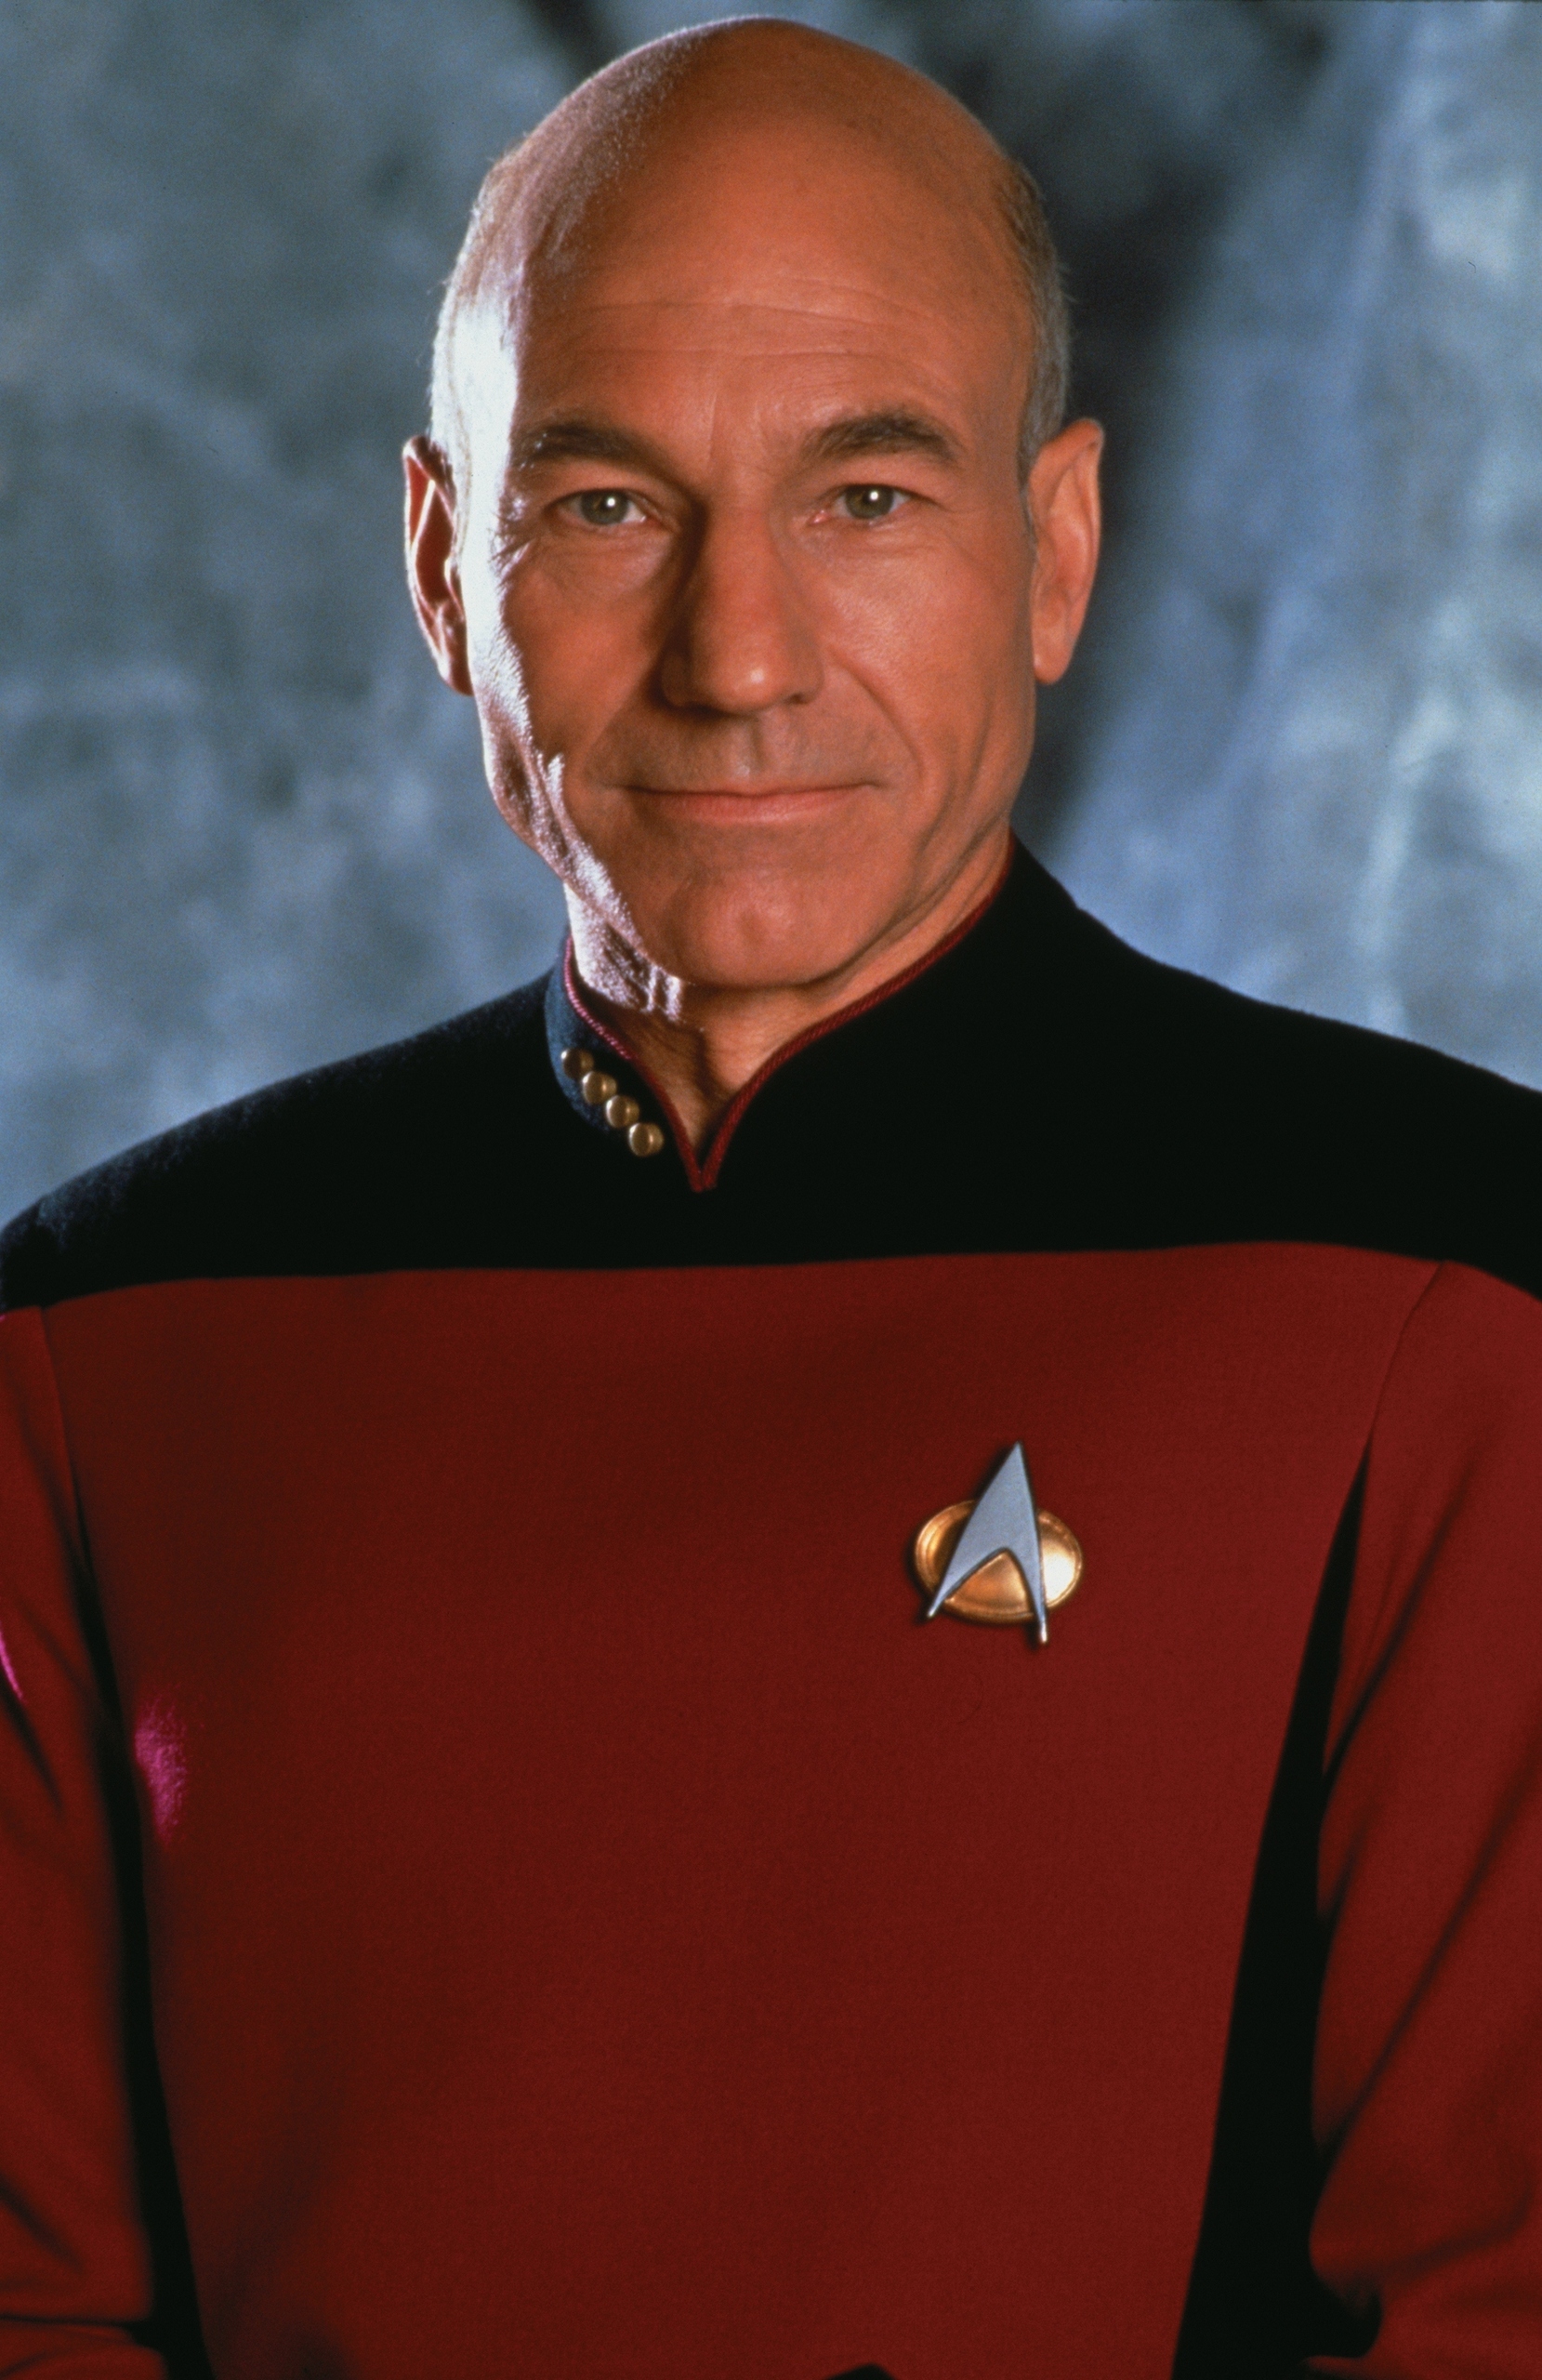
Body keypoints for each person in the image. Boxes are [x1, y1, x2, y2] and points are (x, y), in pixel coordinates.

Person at [2, 19, 1540, 2378]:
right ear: (440, 566)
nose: (738, 659)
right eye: (606, 505)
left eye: (867, 497)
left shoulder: (1454, 1286)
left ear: (1053, 553)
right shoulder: (87, 1355)